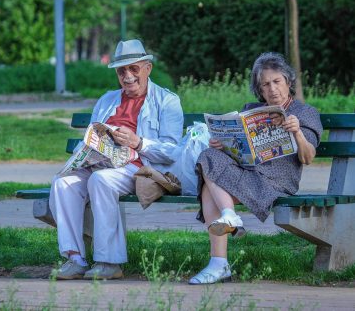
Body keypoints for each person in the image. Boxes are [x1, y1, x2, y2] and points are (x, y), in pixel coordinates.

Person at [49, 39, 183, 280]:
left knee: (101, 181)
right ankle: (75, 258)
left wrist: (138, 142)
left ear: (147, 68)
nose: (128, 76)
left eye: (134, 69)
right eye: (122, 71)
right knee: (62, 183)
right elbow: (92, 136)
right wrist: (85, 153)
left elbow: (173, 151)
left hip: (139, 168)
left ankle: (109, 262)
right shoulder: (107, 100)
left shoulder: (167, 101)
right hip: (101, 164)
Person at [189, 52, 323, 285]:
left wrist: (297, 132)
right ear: (259, 90)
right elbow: (239, 151)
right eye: (265, 85)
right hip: (247, 173)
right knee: (208, 155)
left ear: (288, 82)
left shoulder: (304, 113)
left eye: (276, 82)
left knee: (209, 189)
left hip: (276, 182)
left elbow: (308, 157)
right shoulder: (251, 110)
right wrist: (223, 144)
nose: (272, 89)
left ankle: (219, 262)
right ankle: (229, 219)